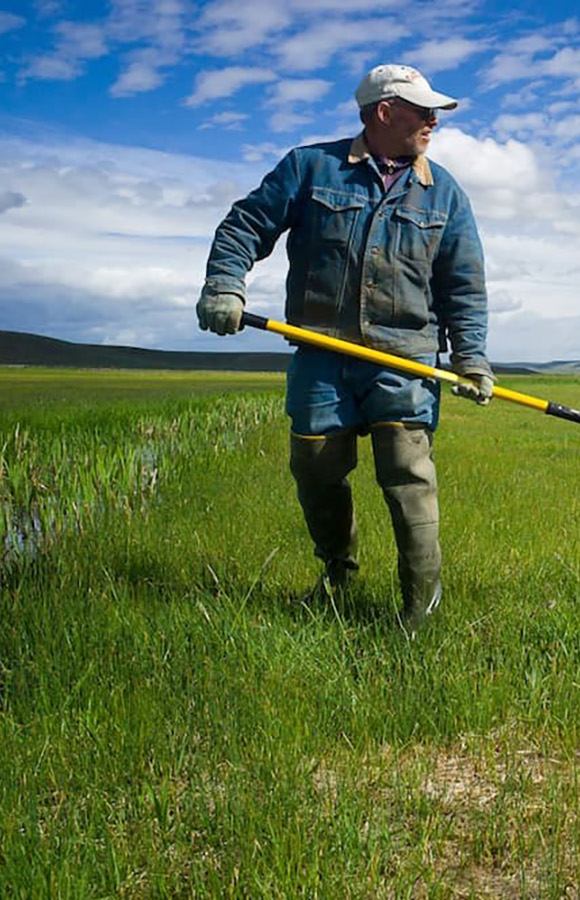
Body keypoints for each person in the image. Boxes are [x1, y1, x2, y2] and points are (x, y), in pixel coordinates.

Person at [196, 64, 495, 634]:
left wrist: (471, 357)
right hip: (322, 354)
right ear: (384, 113)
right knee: (315, 469)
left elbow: (464, 284)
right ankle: (339, 573)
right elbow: (244, 226)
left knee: (409, 478)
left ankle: (421, 608)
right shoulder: (310, 167)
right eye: (421, 110)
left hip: (404, 363)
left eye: (434, 112)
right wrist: (224, 285)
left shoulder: (445, 193)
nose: (433, 120)